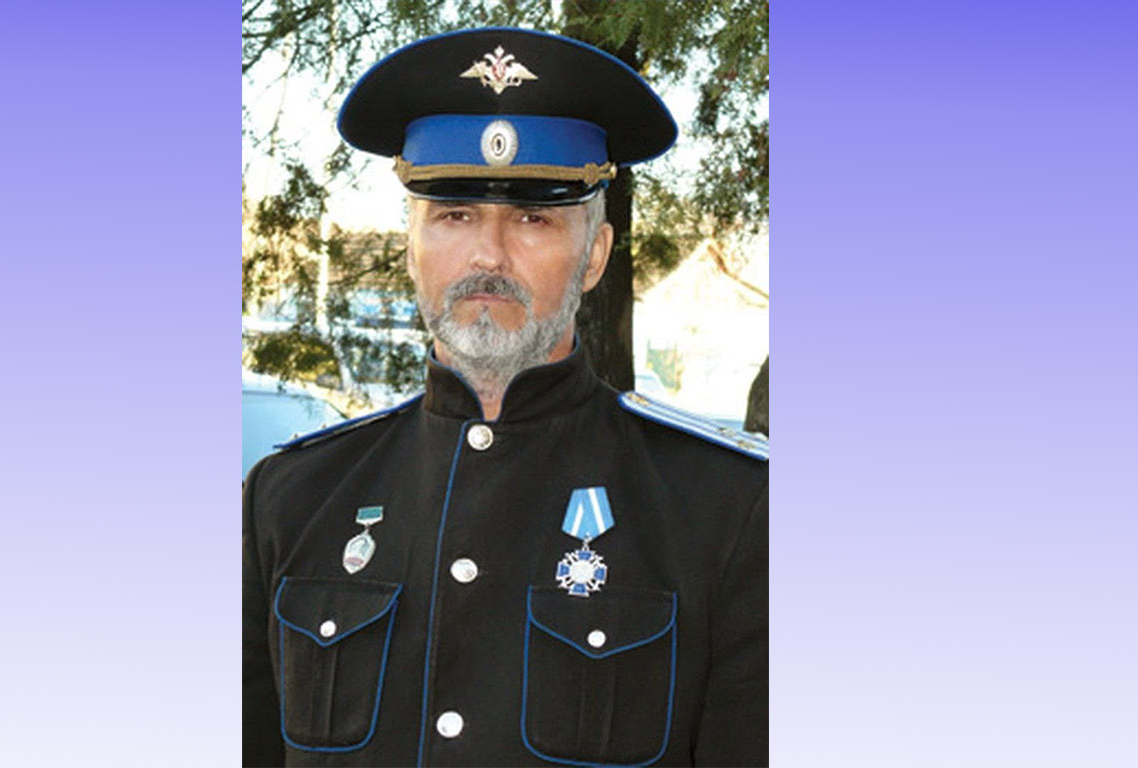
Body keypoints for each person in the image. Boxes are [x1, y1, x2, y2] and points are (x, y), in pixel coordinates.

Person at [243, 27, 768, 767]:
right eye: (454, 215)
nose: (488, 254)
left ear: (595, 257)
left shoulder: (727, 512)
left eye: (533, 218)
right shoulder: (292, 499)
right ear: (411, 248)